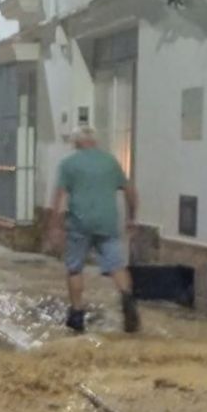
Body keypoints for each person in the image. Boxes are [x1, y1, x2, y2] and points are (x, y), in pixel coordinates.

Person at [48, 126, 141, 334]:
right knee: (116, 265)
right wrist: (131, 217)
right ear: (95, 141)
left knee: (75, 268)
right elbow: (130, 191)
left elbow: (59, 196)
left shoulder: (68, 164)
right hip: (107, 222)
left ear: (76, 143)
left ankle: (77, 314)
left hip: (79, 223)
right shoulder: (110, 162)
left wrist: (54, 225)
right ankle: (127, 298)